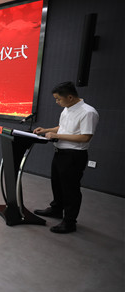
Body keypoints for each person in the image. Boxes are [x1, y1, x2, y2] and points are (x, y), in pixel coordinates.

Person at [33, 81, 99, 234]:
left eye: (58, 99)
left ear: (70, 97)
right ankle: (56, 209)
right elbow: (62, 128)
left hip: (74, 156)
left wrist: (57, 136)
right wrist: (46, 130)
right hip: (60, 153)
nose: (57, 102)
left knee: (70, 189)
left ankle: (69, 222)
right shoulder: (67, 109)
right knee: (57, 184)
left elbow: (85, 137)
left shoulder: (88, 112)